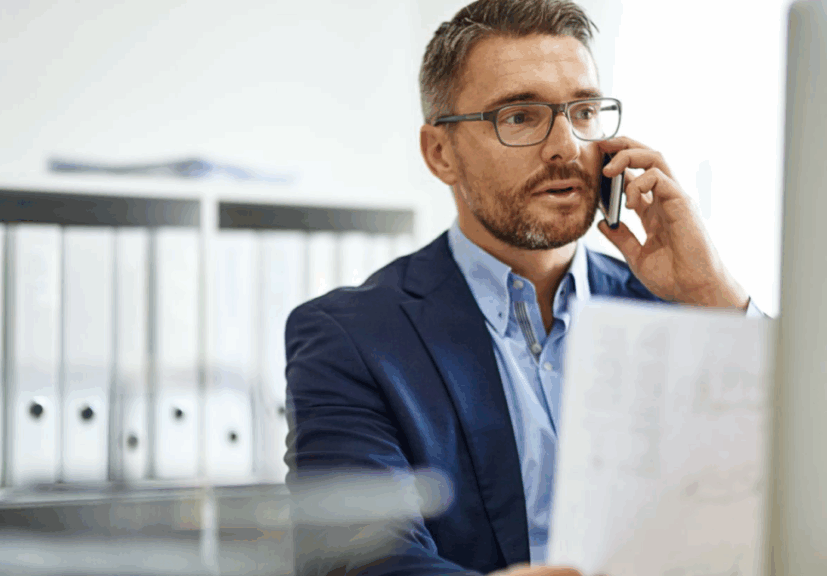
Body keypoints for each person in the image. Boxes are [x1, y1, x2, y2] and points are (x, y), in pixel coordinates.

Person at [284, 1, 761, 576]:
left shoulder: (682, 309)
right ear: (441, 154)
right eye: (519, 117)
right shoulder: (351, 338)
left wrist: (718, 297)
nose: (566, 146)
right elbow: (356, 558)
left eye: (583, 111)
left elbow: (819, 487)